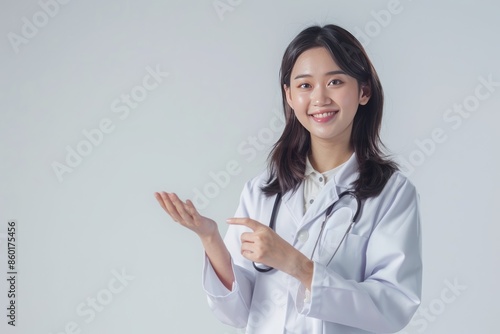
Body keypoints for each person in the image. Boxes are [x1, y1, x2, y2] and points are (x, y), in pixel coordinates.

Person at [155, 24, 422, 334]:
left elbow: (393, 307)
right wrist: (210, 238)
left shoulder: (392, 194)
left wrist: (299, 267)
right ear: (290, 96)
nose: (320, 98)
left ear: (363, 91)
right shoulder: (263, 191)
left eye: (335, 81)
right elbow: (237, 311)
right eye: (305, 85)